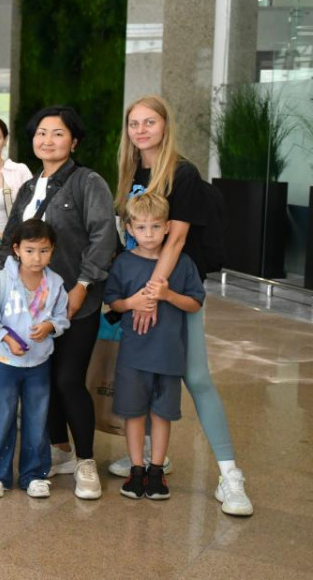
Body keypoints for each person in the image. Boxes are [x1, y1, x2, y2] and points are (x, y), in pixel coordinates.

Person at [110, 94, 252, 515]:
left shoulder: (181, 172)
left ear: (165, 126)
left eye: (149, 122)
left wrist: (153, 294)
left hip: (174, 288)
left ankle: (230, 476)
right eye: (134, 123)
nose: (141, 130)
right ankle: (151, 457)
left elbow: (176, 240)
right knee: (145, 372)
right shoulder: (132, 170)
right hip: (142, 288)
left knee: (196, 376)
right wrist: (136, 295)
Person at [0, 105, 118, 500]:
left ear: (74, 141)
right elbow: (11, 237)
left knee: (67, 379)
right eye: (41, 133)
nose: (47, 140)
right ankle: (59, 449)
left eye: (58, 133)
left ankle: (86, 461)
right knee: (43, 378)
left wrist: (82, 285)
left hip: (76, 302)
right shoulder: (30, 187)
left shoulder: (87, 182)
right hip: (29, 306)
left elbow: (104, 236)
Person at [105, 192, 204, 501]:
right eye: (141, 227)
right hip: (133, 356)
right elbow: (113, 301)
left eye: (155, 227)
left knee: (162, 414)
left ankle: (156, 470)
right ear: (130, 229)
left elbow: (195, 303)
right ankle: (137, 469)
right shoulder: (123, 263)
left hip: (168, 355)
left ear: (167, 228)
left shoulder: (182, 263)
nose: (148, 234)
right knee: (133, 413)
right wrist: (131, 302)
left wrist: (168, 295)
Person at [0, 219, 70, 499]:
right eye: (29, 250)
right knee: (0, 416)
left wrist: (50, 326)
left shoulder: (55, 284)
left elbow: (62, 317)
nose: (36, 258)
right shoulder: (2, 281)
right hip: (5, 363)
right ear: (16, 249)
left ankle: (35, 474)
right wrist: (6, 338)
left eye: (44, 251)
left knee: (37, 418)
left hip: (39, 363)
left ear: (52, 250)